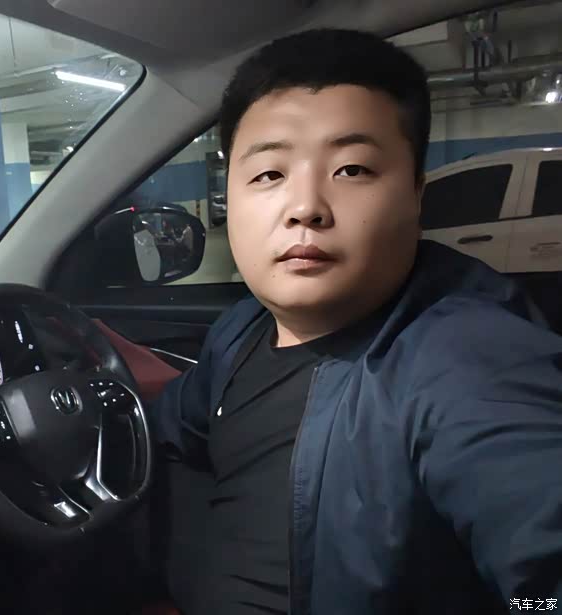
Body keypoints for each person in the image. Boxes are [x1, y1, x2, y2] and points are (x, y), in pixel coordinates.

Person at [149, 29, 562, 615]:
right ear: (230, 199)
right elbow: (167, 434)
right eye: (269, 175)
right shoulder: (242, 330)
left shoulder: (466, 358)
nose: (305, 207)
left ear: (416, 193)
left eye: (352, 169)